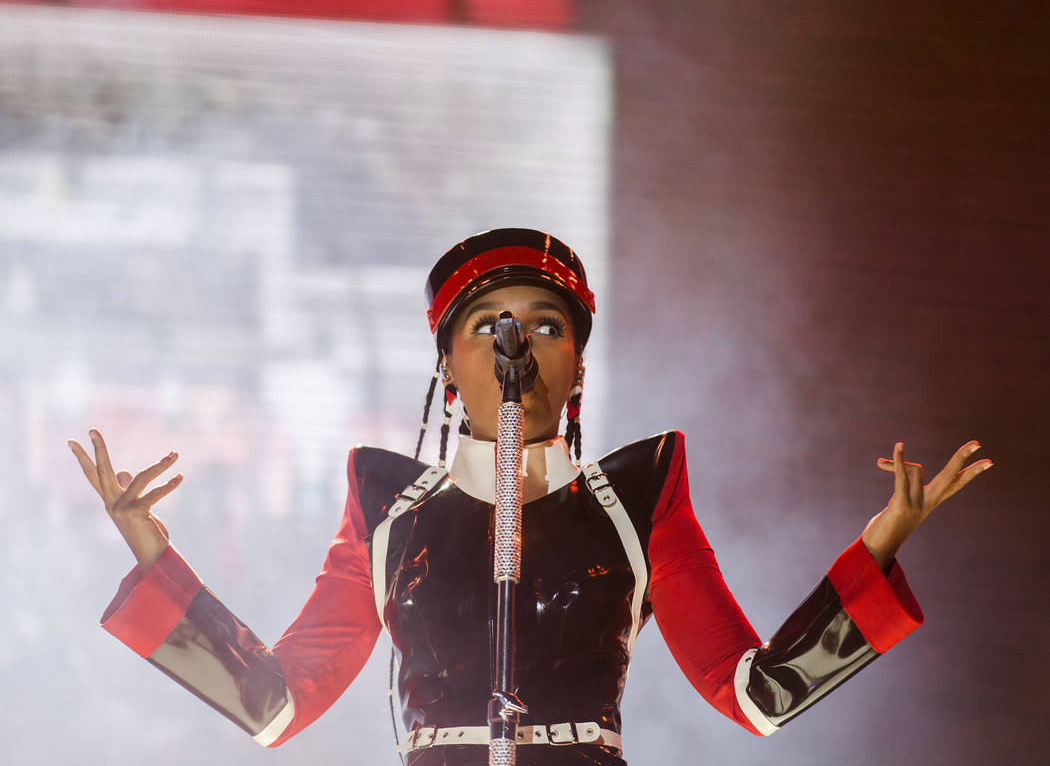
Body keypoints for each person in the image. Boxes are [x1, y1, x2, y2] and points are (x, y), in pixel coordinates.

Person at [69, 228, 992, 765]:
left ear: (577, 360)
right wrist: (156, 556)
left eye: (549, 326)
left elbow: (758, 695)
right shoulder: (388, 510)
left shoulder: (639, 499)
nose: (523, 343)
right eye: (491, 325)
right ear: (449, 363)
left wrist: (876, 548)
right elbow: (274, 702)